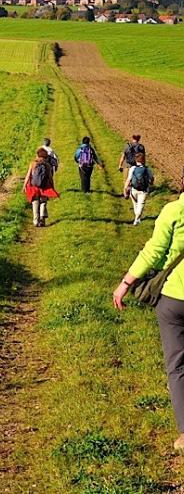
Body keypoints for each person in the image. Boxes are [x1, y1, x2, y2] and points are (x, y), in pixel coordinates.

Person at [113, 168, 184, 452]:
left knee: (177, 366)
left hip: (173, 298)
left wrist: (125, 283)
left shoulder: (173, 211)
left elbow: (154, 251)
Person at [23, 147, 59, 227]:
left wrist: (24, 186)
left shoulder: (33, 163)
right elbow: (50, 177)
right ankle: (42, 218)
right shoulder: (47, 165)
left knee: (35, 202)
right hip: (44, 186)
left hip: (34, 186)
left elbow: (28, 176)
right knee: (43, 202)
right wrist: (52, 187)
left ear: (37, 155)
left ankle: (36, 221)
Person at [123, 152, 154, 225]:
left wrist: (125, 188)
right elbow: (151, 178)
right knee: (141, 204)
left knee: (135, 205)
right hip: (143, 190)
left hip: (134, 189)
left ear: (136, 160)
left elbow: (129, 179)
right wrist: (151, 184)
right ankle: (137, 219)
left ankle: (137, 218)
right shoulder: (147, 169)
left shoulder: (133, 168)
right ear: (143, 160)